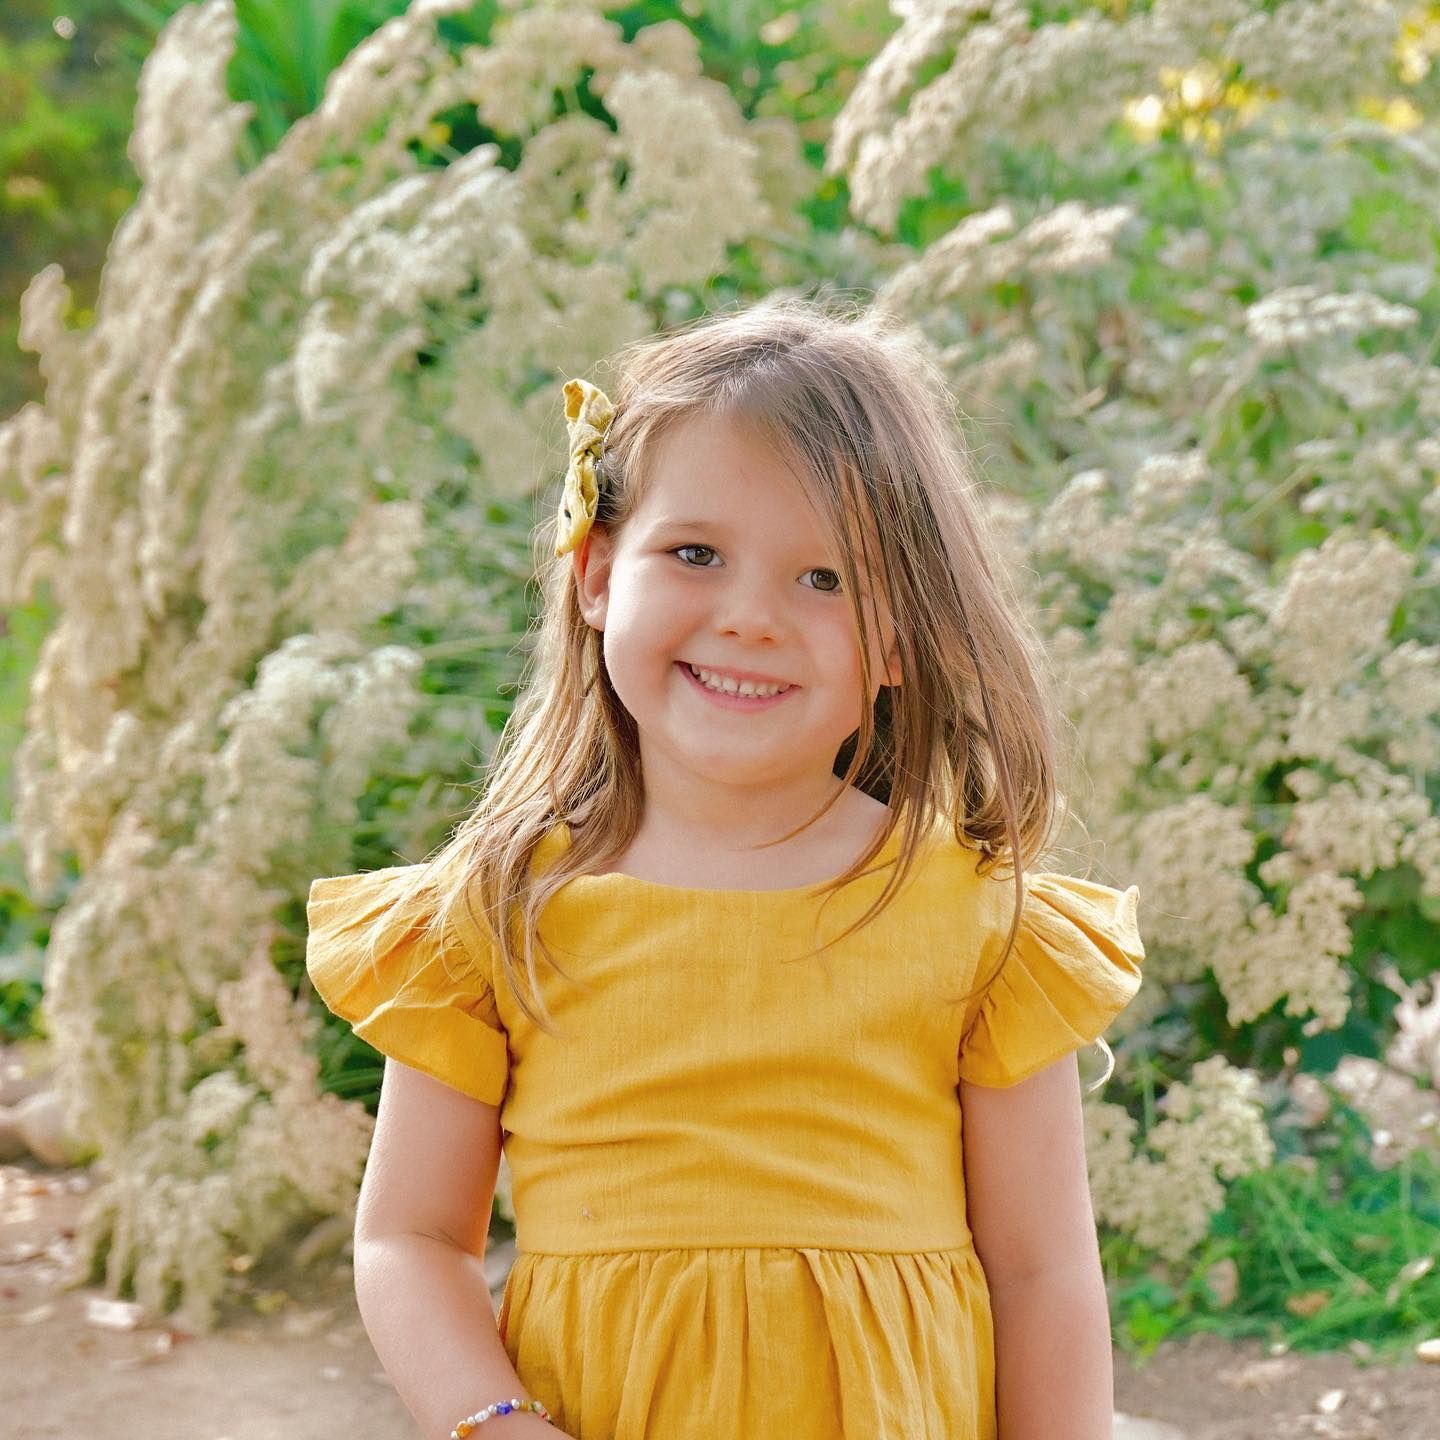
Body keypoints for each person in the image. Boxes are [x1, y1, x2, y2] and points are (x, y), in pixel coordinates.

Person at [305, 295, 1146, 1440]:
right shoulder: (499, 908)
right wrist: (495, 1422)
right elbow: (408, 1238)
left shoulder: (971, 917)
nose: (749, 617)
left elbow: (1043, 1270)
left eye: (826, 579)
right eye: (695, 553)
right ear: (598, 575)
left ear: (902, 638)